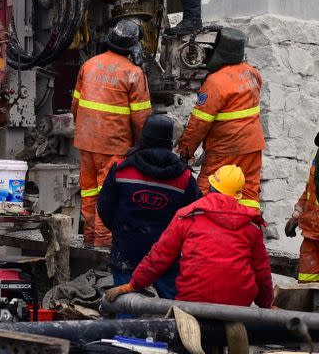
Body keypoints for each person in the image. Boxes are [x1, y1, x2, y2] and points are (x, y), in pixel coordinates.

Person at [105, 165, 273, 308]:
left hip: (193, 301)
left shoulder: (188, 215)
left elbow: (159, 256)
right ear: (239, 195)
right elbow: (262, 272)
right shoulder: (251, 224)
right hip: (238, 306)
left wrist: (133, 285)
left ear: (210, 186)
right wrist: (266, 306)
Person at [98, 114, 200, 299]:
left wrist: (121, 231)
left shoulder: (121, 169)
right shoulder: (184, 179)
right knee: (174, 311)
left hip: (126, 250)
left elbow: (104, 208)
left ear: (143, 136)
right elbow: (194, 217)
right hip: (166, 255)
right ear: (169, 140)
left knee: (124, 306)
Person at [72, 20, 152, 247]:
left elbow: (75, 106)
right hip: (114, 145)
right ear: (133, 47)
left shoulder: (89, 65)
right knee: (108, 194)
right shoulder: (134, 74)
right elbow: (141, 119)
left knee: (89, 192)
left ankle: (89, 238)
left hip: (86, 142)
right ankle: (103, 246)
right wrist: (141, 146)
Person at [177, 27, 265, 209]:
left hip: (225, 149)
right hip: (253, 146)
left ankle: (205, 231)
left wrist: (185, 152)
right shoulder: (252, 73)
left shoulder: (215, 82)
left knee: (206, 190)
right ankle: (248, 230)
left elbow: (199, 124)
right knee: (248, 192)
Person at [285, 133, 319, 282]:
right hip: (312, 232)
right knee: (307, 278)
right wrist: (295, 216)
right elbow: (308, 191)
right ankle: (311, 305)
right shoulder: (317, 160)